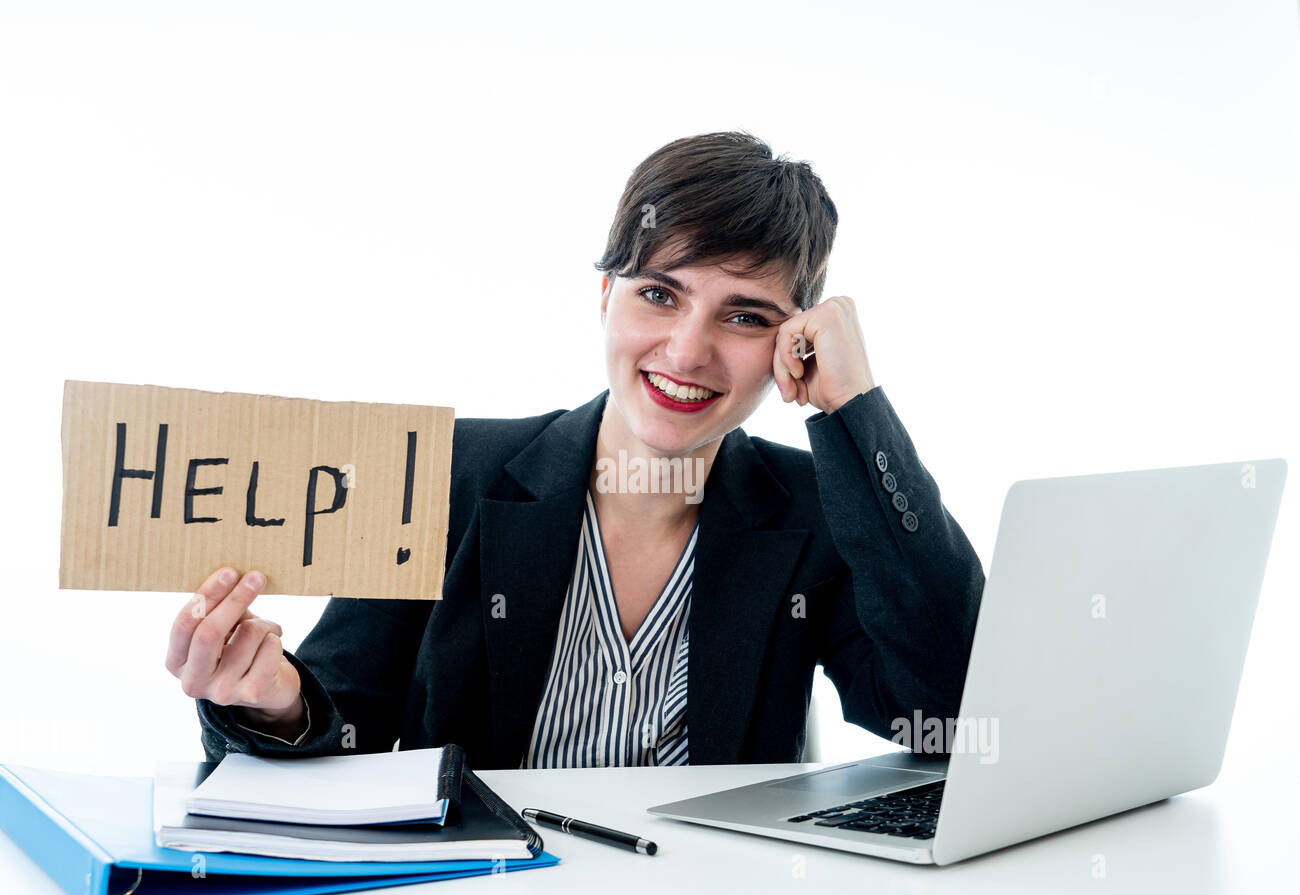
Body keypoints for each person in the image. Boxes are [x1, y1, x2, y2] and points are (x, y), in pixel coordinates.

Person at [166, 130, 986, 770]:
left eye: (744, 316)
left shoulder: (815, 509)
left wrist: (857, 410)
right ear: (606, 299)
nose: (687, 350)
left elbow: (950, 712)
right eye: (659, 294)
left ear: (793, 342)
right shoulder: (447, 473)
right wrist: (274, 706)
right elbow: (346, 722)